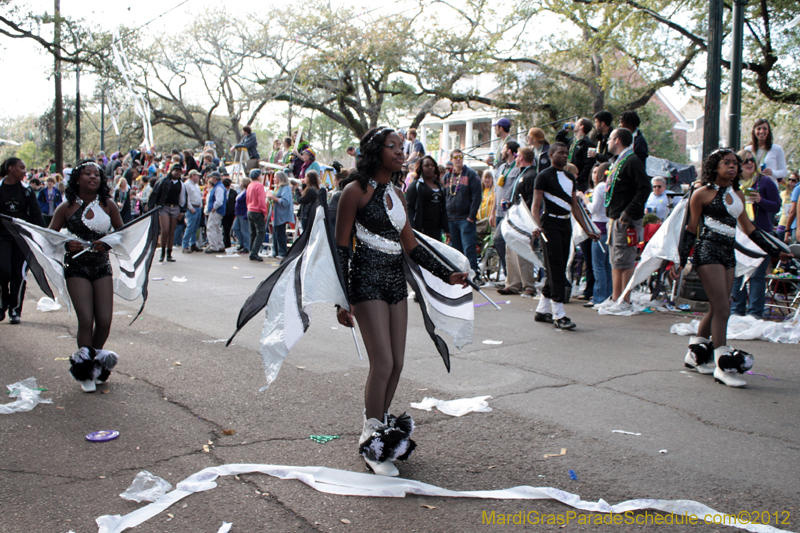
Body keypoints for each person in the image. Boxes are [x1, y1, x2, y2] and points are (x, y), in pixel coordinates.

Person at [335, 126, 468, 476]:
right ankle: (372, 440)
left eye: (401, 146)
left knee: (397, 363)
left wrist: (448, 274)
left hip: (395, 282)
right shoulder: (354, 191)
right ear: (375, 151)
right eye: (391, 146)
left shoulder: (398, 193)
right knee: (381, 363)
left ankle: (379, 428)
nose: (399, 151)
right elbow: (341, 248)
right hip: (366, 281)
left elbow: (412, 247)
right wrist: (341, 298)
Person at [677, 149, 791, 387]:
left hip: (729, 253)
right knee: (723, 307)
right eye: (726, 163)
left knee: (717, 307)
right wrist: (681, 260)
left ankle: (694, 355)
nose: (732, 167)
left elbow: (749, 229)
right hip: (707, 251)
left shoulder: (737, 193)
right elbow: (690, 229)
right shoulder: (701, 193)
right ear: (714, 167)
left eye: (734, 163)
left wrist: (774, 251)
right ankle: (723, 364)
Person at [49, 160, 124, 392]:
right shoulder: (66, 207)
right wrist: (65, 243)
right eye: (87, 173)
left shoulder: (109, 205)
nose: (93, 177)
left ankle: (95, 363)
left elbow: (122, 233)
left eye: (97, 174)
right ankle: (85, 372)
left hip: (102, 267)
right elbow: (49, 237)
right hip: (76, 268)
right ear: (77, 179)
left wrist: (108, 243)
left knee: (104, 321)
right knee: (86, 320)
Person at [530, 143, 599, 330]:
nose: (564, 156)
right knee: (556, 267)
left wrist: (587, 229)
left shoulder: (570, 178)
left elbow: (575, 206)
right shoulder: (543, 176)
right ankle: (558, 314)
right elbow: (536, 205)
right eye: (560, 153)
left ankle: (542, 310)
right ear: (551, 155)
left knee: (558, 266)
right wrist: (536, 225)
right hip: (549, 224)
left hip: (565, 224)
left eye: (566, 153)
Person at [602, 128, 651, 312]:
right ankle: (616, 297)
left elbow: (644, 188)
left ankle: (624, 300)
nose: (607, 142)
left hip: (625, 220)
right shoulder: (618, 161)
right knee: (616, 260)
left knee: (625, 260)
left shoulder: (632, 161)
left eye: (610, 139)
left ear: (617, 140)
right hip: (615, 217)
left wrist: (629, 212)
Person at [730, 148, 781, 318]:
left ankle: (754, 313)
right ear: (739, 164)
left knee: (757, 275)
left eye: (752, 160)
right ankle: (736, 311)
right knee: (738, 273)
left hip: (761, 232)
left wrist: (760, 200)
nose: (750, 163)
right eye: (746, 161)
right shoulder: (733, 184)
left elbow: (776, 206)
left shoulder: (764, 182)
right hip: (739, 234)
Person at [0, 157, 45, 324]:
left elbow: (36, 214)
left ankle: (15, 310)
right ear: (11, 168)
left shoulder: (27, 191)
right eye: (22, 168)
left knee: (18, 274)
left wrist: (43, 236)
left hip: (22, 238)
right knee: (3, 270)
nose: (25, 171)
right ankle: (3, 302)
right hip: (2, 236)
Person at [498, 147, 539, 297]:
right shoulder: (522, 174)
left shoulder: (531, 175)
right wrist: (510, 204)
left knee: (523, 252)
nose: (515, 158)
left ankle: (529, 285)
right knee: (511, 251)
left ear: (521, 157)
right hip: (514, 219)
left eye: (516, 156)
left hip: (524, 220)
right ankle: (513, 283)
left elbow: (531, 200)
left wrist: (519, 210)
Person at [444, 148, 482, 282]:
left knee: (469, 248)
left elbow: (477, 196)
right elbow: (444, 197)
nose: (458, 159)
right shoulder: (447, 176)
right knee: (455, 250)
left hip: (465, 219)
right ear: (451, 159)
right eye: (455, 157)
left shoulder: (471, 174)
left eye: (460, 156)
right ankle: (460, 276)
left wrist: (471, 217)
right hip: (450, 219)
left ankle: (474, 276)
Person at [490, 140, 521, 280]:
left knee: (503, 241)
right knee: (499, 242)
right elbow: (496, 192)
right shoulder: (501, 168)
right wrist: (492, 212)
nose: (501, 152)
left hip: (510, 213)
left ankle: (512, 274)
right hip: (499, 212)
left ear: (509, 151)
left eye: (503, 149)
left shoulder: (518, 169)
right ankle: (507, 272)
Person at [148, 164, 187, 262]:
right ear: (171, 171)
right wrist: (151, 207)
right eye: (176, 170)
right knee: (165, 230)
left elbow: (183, 198)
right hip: (164, 206)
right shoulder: (163, 181)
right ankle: (162, 252)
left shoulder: (181, 184)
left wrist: (182, 211)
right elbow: (155, 193)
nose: (177, 173)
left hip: (175, 207)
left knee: (171, 231)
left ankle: (169, 253)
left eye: (179, 171)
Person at [406, 155, 449, 242]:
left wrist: (446, 229)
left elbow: (443, 208)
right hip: (421, 229)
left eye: (432, 165)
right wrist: (412, 229)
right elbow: (409, 207)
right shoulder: (415, 185)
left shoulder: (440, 186)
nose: (430, 167)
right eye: (426, 165)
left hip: (436, 230)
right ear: (421, 168)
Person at [587, 162, 612, 305]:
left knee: (598, 265)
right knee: (606, 265)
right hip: (608, 228)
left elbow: (593, 209)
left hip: (599, 228)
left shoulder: (600, 187)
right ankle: (607, 295)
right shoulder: (609, 187)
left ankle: (599, 297)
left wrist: (584, 198)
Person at [555, 118, 596, 192]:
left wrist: (579, 178)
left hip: (578, 182)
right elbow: (558, 140)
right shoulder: (571, 141)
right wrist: (565, 130)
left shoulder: (588, 144)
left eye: (577, 123)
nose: (574, 124)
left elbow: (589, 164)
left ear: (581, 127)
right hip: (567, 177)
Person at [743, 118, 787, 185]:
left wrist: (772, 172)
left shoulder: (777, 149)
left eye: (765, 128)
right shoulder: (748, 149)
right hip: (752, 186)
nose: (761, 131)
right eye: (759, 129)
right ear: (754, 131)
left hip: (770, 186)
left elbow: (784, 172)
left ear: (768, 131)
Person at [266, 171, 294, 259]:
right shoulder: (277, 187)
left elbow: (285, 201)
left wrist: (273, 198)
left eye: (275, 177)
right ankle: (275, 251)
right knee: (275, 233)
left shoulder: (285, 188)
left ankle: (282, 252)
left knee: (280, 233)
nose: (274, 179)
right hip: (275, 214)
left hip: (281, 215)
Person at [246, 169, 269, 261]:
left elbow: (247, 198)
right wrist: (265, 212)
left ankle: (251, 250)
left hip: (250, 209)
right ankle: (254, 252)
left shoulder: (250, 185)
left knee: (253, 233)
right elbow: (261, 200)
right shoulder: (259, 186)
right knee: (261, 232)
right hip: (257, 211)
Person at [180, 170, 203, 253]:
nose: (198, 177)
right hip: (192, 208)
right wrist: (190, 207)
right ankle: (185, 245)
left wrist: (200, 204)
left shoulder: (196, 185)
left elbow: (198, 195)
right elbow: (186, 198)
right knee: (190, 227)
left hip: (198, 207)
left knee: (195, 228)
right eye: (197, 176)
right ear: (192, 175)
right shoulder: (187, 185)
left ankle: (193, 244)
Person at [204, 172, 226, 253]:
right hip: (219, 210)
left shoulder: (218, 187)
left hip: (216, 210)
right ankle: (219, 245)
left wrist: (214, 208)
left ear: (215, 178)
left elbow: (219, 200)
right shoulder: (219, 186)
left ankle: (213, 246)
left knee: (211, 227)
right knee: (217, 228)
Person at [297, 169, 320, 234]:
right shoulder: (314, 188)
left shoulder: (310, 189)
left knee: (306, 234)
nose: (304, 179)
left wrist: (297, 191)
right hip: (309, 215)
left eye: (306, 177)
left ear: (310, 178)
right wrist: (303, 185)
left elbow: (300, 200)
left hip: (306, 215)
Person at [776, 171, 798, 242]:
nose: (791, 182)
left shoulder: (797, 192)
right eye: (789, 179)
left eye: (793, 180)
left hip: (793, 226)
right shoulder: (783, 194)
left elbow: (793, 211)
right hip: (782, 225)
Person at [233, 176, 251, 254]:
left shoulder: (247, 192)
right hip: (238, 213)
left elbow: (247, 203)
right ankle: (241, 243)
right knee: (235, 228)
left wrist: (246, 214)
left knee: (244, 230)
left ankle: (247, 246)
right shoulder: (242, 191)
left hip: (243, 213)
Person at [222, 178, 237, 249]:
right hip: (224, 212)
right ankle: (226, 243)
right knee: (225, 228)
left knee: (229, 227)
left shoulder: (233, 192)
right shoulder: (222, 191)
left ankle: (226, 242)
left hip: (231, 212)